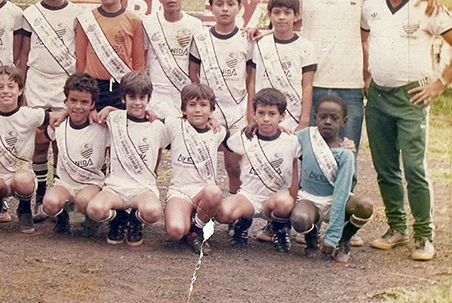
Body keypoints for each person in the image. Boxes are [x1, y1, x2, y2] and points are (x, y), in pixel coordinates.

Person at [362, 0, 452, 262]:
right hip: (378, 97)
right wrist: (366, 75)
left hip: (412, 96)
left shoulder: (427, 5)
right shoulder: (371, 6)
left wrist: (440, 83)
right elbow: (363, 37)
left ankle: (424, 235)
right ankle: (397, 227)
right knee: (385, 167)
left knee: (414, 168)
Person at [294, 0, 382, 152]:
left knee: (347, 152)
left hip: (350, 85)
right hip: (314, 82)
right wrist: (259, 32)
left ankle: (346, 190)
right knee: (312, 154)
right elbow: (289, 20)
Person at [18, 0, 82, 220]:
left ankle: (63, 201)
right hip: (37, 82)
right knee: (40, 142)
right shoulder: (30, 14)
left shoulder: (77, 14)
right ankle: (40, 196)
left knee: (63, 143)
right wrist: (21, 88)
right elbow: (23, 54)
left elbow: (80, 54)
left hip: (63, 84)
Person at [85, 72, 169, 247]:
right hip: (116, 187)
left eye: (142, 97)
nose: (137, 102)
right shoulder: (113, 119)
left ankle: (135, 220)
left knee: (153, 212)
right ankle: (119, 218)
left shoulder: (157, 126)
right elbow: (95, 116)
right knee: (94, 210)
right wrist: (108, 108)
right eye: (132, 97)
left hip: (143, 187)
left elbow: (160, 150)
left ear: (148, 99)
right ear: (123, 98)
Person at [216, 88, 302, 254]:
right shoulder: (245, 136)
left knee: (285, 203)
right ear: (254, 114)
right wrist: (211, 124)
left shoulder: (290, 141)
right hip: (249, 197)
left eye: (272, 114)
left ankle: (279, 230)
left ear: (282, 116)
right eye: (261, 113)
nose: (266, 119)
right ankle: (243, 222)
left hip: (275, 199)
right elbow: (215, 142)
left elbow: (301, 166)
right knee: (223, 213)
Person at [291, 96, 373, 262]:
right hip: (310, 200)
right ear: (315, 118)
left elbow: (342, 192)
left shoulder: (345, 154)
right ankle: (312, 237)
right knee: (299, 218)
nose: (327, 122)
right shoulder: (307, 137)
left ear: (344, 121)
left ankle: (344, 238)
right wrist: (255, 127)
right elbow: (281, 139)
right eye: (323, 117)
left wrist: (333, 235)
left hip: (336, 200)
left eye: (334, 118)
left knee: (365, 206)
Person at [189, 0, 251, 194]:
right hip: (208, 110)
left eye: (231, 4)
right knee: (202, 165)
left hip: (237, 111)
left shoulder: (246, 39)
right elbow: (193, 74)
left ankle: (238, 211)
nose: (225, 8)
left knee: (234, 166)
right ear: (211, 7)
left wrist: (249, 113)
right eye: (219, 3)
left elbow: (251, 79)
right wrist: (201, 107)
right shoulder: (201, 39)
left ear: (239, 7)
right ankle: (202, 211)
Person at [0, 65, 50, 233]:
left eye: (11, 86)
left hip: (20, 173)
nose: (5, 91)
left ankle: (24, 208)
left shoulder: (30, 114)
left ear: (20, 90)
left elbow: (56, 119)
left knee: (23, 181)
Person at [41, 73, 109, 236]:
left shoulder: (102, 127)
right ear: (66, 102)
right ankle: (63, 216)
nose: (78, 106)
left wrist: (108, 109)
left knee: (83, 201)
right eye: (73, 101)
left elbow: (124, 118)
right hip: (65, 182)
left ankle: (90, 219)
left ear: (93, 104)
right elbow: (38, 139)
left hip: (91, 183)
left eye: (84, 102)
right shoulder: (59, 125)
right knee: (49, 204)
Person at [163, 83, 226, 254]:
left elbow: (250, 136)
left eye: (203, 105)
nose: (197, 110)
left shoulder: (218, 132)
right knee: (176, 231)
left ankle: (196, 229)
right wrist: (109, 109)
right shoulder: (174, 125)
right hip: (180, 191)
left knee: (214, 192)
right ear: (183, 109)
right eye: (192, 105)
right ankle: (184, 219)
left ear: (212, 110)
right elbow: (147, 119)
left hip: (203, 192)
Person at [75, 0, 146, 110]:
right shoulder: (87, 20)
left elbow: (139, 63)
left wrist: (134, 90)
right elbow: (81, 61)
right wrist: (83, 91)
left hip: (122, 86)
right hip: (93, 86)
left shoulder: (134, 20)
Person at [247, 0, 316, 132]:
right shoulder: (260, 44)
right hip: (264, 117)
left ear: (296, 16)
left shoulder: (306, 47)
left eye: (287, 13)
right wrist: (250, 118)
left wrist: (304, 121)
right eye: (277, 13)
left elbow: (307, 86)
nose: (281, 17)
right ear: (269, 16)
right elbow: (253, 82)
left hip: (292, 117)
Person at [143, 0, 202, 119]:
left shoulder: (195, 25)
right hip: (155, 94)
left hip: (182, 94)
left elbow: (196, 65)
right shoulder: (148, 23)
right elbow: (143, 61)